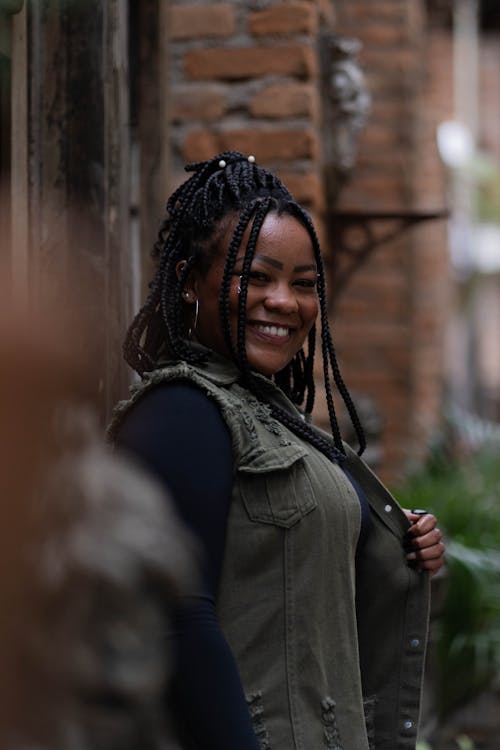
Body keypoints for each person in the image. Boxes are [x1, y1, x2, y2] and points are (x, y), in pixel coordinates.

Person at [110, 151, 445, 750]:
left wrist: (397, 544)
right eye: (256, 277)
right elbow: (177, 622)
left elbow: (292, 590)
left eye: (304, 285)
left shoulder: (276, 417)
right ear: (190, 281)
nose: (284, 302)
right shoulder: (183, 412)